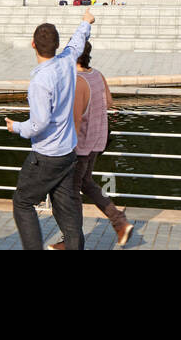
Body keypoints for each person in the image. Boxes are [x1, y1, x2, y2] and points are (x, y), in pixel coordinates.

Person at [5, 7, 93, 250]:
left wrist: (16, 128)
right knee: (67, 210)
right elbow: (77, 43)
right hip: (68, 153)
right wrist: (86, 22)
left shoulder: (40, 81)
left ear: (33, 44)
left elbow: (39, 124)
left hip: (46, 156)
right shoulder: (66, 61)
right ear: (56, 46)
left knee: (22, 202)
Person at [48, 41, 134, 249]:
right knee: (86, 183)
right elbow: (109, 103)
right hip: (97, 140)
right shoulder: (97, 74)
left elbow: (76, 120)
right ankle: (119, 221)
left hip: (80, 145)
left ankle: (71, 242)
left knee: (70, 192)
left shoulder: (77, 81)